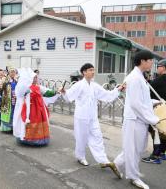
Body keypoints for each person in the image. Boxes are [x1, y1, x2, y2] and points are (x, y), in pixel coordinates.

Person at [59, 63, 124, 177]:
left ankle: (103, 160)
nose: (93, 72)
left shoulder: (95, 86)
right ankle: (80, 157)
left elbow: (107, 95)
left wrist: (118, 89)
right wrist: (64, 92)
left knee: (97, 137)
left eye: (93, 70)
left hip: (93, 117)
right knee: (81, 138)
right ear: (84, 72)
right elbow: (69, 96)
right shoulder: (79, 85)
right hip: (81, 117)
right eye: (90, 70)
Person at [113, 51, 159, 189]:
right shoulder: (134, 78)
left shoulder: (140, 76)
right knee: (134, 150)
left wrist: (154, 101)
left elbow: (142, 100)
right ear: (143, 61)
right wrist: (153, 119)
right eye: (150, 60)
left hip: (139, 119)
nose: (152, 63)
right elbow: (135, 103)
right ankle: (133, 177)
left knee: (137, 148)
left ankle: (116, 164)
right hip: (134, 119)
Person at [13, 68, 58, 146]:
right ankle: (28, 138)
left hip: (39, 109)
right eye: (34, 77)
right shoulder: (24, 87)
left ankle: (39, 138)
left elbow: (47, 92)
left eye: (36, 77)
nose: (36, 79)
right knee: (29, 122)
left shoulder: (38, 87)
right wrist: (26, 90)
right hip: (28, 110)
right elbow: (19, 94)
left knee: (38, 122)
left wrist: (55, 92)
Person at [142, 58, 166, 164]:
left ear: (164, 68)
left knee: (155, 132)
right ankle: (161, 153)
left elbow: (148, 94)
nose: (157, 68)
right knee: (164, 132)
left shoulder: (159, 80)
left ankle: (155, 155)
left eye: (159, 66)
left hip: (158, 110)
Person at [0, 67, 17, 133]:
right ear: (9, 73)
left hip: (15, 99)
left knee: (14, 112)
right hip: (7, 99)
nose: (13, 73)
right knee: (7, 113)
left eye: (14, 72)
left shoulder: (16, 80)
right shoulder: (5, 79)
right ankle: (6, 128)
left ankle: (12, 127)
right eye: (11, 72)